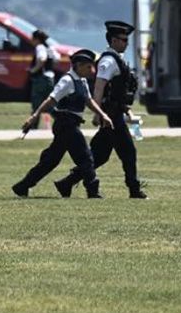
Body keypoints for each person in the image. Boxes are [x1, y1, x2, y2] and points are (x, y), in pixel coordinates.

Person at [55, 20, 148, 199]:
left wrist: (126, 110)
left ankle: (66, 183)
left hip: (115, 113)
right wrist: (98, 113)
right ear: (113, 40)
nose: (126, 43)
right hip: (110, 115)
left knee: (99, 156)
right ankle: (134, 189)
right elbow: (99, 86)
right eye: (123, 40)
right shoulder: (108, 61)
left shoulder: (117, 59)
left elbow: (117, 91)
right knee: (128, 152)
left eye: (127, 40)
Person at [12, 49, 112, 199]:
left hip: (71, 125)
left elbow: (88, 100)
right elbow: (51, 100)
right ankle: (93, 191)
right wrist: (34, 116)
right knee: (85, 157)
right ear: (78, 65)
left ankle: (23, 186)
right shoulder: (67, 81)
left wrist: (102, 114)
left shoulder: (82, 80)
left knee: (50, 161)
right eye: (88, 67)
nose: (92, 71)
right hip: (66, 124)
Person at [28, 29, 56, 127]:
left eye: (32, 38)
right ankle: (62, 121)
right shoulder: (49, 48)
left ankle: (33, 127)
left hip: (41, 79)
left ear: (37, 39)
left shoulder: (40, 47)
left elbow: (42, 59)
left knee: (36, 104)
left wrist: (33, 70)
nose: (31, 40)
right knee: (51, 104)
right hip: (50, 78)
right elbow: (56, 59)